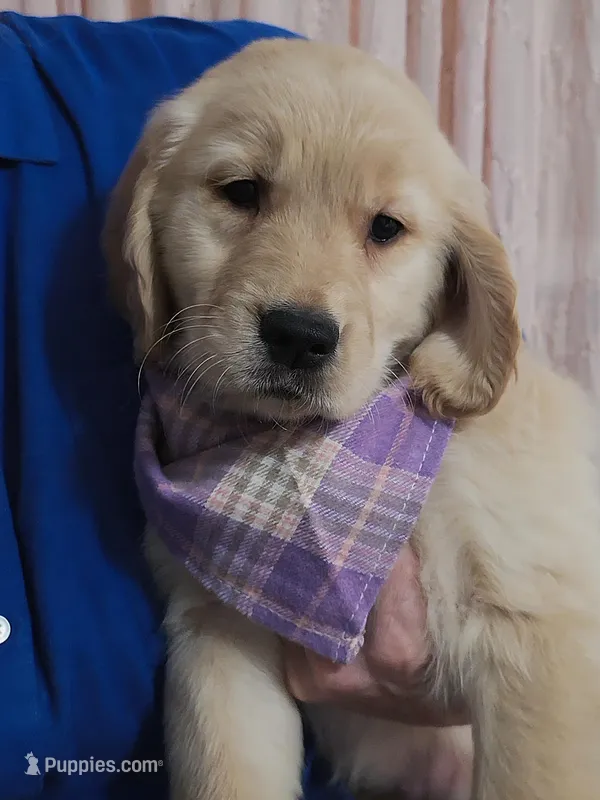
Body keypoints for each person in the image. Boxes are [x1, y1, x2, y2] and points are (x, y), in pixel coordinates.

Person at [0, 11, 465, 800]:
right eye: (243, 194)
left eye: (381, 229)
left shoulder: (236, 76)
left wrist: (485, 651)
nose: (302, 299)